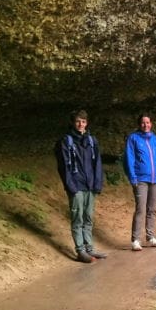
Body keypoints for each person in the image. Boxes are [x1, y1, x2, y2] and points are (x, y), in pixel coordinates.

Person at [55, 110, 107, 264]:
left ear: (87, 123)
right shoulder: (66, 141)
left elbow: (97, 163)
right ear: (73, 122)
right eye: (78, 121)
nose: (80, 124)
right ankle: (80, 251)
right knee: (77, 218)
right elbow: (63, 167)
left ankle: (89, 248)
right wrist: (71, 187)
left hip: (90, 185)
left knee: (88, 217)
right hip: (76, 186)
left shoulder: (91, 141)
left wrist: (97, 184)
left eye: (83, 121)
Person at [124, 114, 156, 251]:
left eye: (148, 122)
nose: (145, 125)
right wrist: (133, 177)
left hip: (155, 179)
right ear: (139, 124)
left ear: (151, 124)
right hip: (141, 179)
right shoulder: (133, 138)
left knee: (152, 209)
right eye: (143, 123)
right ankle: (136, 240)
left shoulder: (155, 139)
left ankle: (151, 237)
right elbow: (129, 159)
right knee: (140, 209)